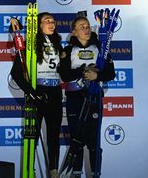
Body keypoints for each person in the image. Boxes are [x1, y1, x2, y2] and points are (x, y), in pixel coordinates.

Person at [59, 16, 115, 178]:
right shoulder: (68, 51)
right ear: (74, 32)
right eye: (82, 26)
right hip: (74, 99)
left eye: (88, 26)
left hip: (94, 98)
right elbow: (64, 74)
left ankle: (96, 174)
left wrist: (96, 76)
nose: (86, 29)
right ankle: (76, 173)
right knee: (76, 140)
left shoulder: (100, 49)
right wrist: (83, 71)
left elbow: (111, 73)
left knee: (94, 141)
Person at [10, 12, 63, 178]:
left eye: (53, 21)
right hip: (38, 91)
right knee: (32, 136)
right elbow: (16, 74)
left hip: (55, 92)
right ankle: (29, 170)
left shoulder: (58, 44)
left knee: (54, 136)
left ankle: (53, 171)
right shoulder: (30, 45)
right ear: (38, 26)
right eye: (47, 20)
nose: (51, 23)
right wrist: (31, 92)